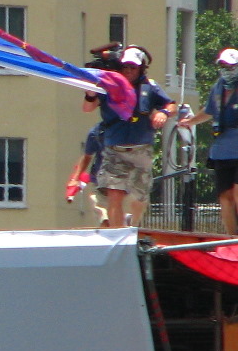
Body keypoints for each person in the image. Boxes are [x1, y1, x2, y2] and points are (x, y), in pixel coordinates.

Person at [83, 45, 176, 228]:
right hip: (114, 150)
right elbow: (87, 108)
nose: (128, 71)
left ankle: (132, 224)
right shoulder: (109, 85)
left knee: (140, 198)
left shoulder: (150, 87)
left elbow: (172, 105)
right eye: (125, 67)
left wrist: (163, 112)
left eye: (132, 67)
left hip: (141, 151)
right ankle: (119, 235)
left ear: (141, 68)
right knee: (114, 195)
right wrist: (90, 93)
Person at [179, 48, 238, 234]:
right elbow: (209, 110)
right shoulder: (218, 86)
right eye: (223, 66)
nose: (226, 69)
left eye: (230, 66)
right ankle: (232, 239)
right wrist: (190, 122)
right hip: (222, 149)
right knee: (225, 196)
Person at [66, 122, 111, 227]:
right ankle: (107, 221)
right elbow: (87, 157)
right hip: (103, 181)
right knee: (101, 209)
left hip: (117, 180)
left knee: (105, 211)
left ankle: (109, 221)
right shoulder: (97, 132)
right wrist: (76, 178)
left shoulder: (97, 131)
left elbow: (87, 157)